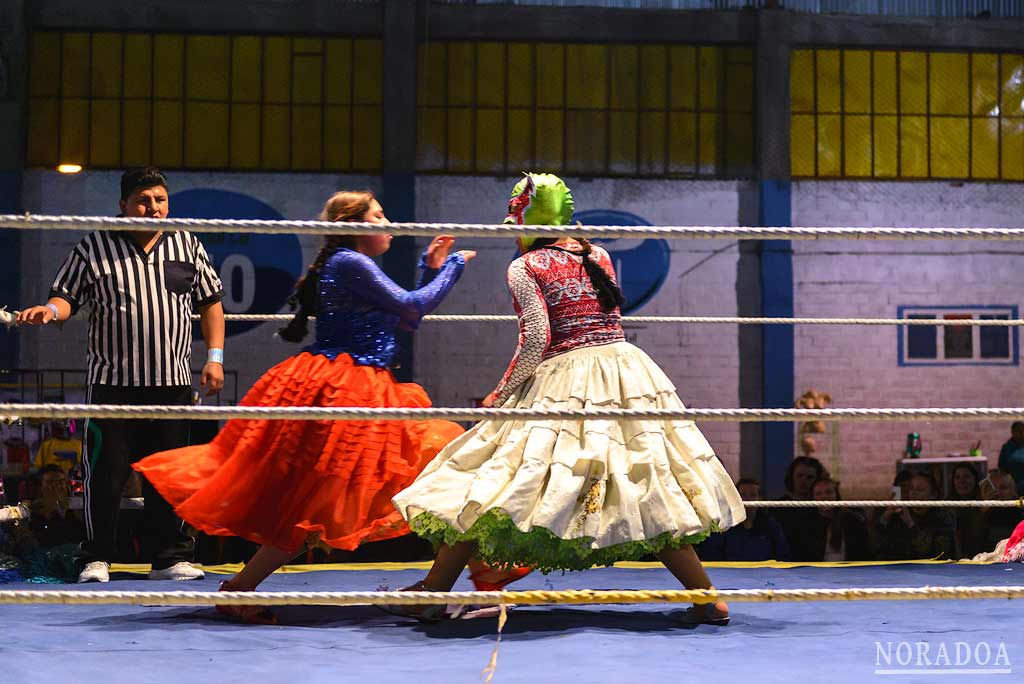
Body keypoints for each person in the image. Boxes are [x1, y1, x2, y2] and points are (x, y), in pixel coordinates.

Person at [391, 173, 745, 624]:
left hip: (566, 377)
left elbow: (537, 337)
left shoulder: (525, 266)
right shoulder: (597, 252)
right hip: (624, 373)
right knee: (642, 483)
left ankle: (435, 591)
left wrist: (502, 392)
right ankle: (707, 597)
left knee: (487, 480)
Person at [135, 190, 493, 623]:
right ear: (354, 223)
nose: (387, 222)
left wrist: (429, 268)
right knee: (317, 499)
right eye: (378, 215)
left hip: (363, 386)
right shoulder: (350, 262)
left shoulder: (351, 263)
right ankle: (243, 588)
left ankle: (447, 582)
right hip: (346, 389)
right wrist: (452, 269)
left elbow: (405, 318)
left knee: (386, 479)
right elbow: (414, 305)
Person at [17, 167, 225, 583]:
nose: (153, 208)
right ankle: (96, 556)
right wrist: (49, 311)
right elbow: (66, 297)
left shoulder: (187, 244)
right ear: (124, 205)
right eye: (143, 200)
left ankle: (170, 557)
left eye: (160, 199)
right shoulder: (94, 246)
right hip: (112, 384)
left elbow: (211, 303)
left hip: (172, 384)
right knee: (105, 473)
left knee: (170, 473)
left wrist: (215, 356)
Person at [698, 478, 789, 562]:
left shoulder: (771, 525)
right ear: (735, 498)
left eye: (753, 495)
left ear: (760, 499)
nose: (748, 499)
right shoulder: (724, 524)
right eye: (743, 495)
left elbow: (782, 555)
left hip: (765, 575)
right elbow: (712, 556)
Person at [871, 473, 955, 560]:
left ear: (933, 494)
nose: (913, 493)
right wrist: (886, 517)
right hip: (897, 569)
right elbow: (875, 544)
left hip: (931, 569)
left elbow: (937, 554)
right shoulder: (899, 512)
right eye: (911, 488)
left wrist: (910, 524)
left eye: (920, 489)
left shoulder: (942, 517)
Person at [788, 476, 868, 562]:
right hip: (814, 573)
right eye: (818, 493)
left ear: (837, 495)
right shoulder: (804, 524)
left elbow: (864, 553)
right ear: (813, 498)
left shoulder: (853, 521)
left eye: (829, 492)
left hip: (851, 572)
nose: (824, 496)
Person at [998, 422, 1024, 495]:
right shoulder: (1007, 448)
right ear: (1013, 432)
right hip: (1014, 489)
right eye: (1019, 431)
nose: (1022, 433)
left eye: (1023, 430)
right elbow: (1002, 468)